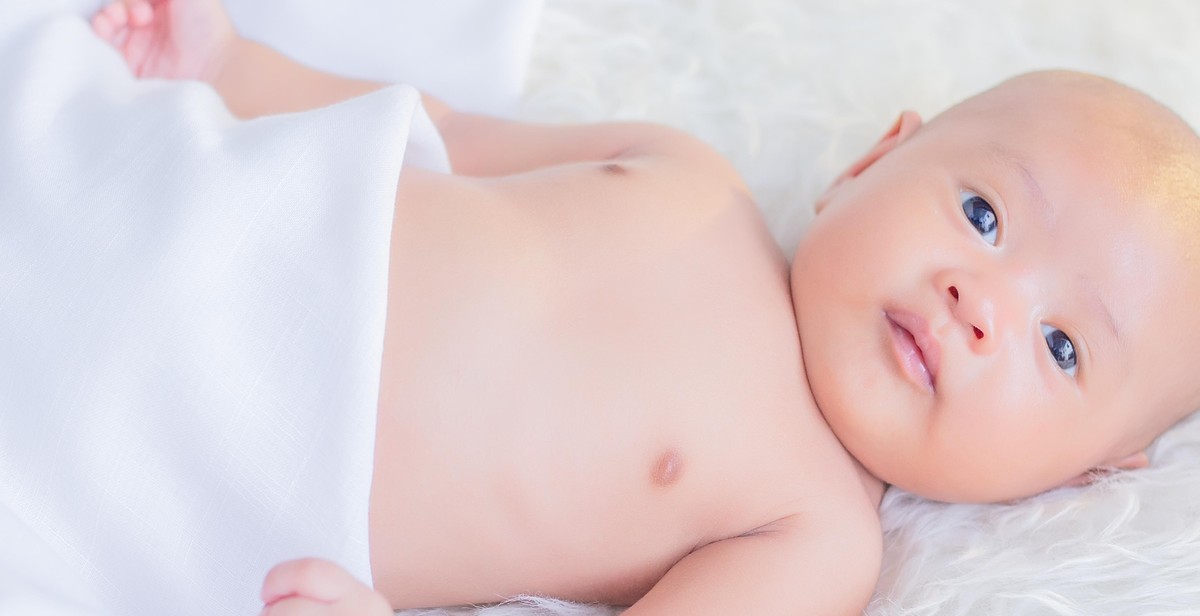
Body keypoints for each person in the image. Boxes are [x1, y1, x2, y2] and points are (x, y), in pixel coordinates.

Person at [88, 0, 1200, 614]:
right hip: (212, 207)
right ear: (871, 160)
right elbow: (439, 132)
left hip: (205, 453)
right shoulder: (688, 173)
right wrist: (233, 62)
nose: (979, 303)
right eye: (983, 214)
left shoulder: (813, 532)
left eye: (1061, 346)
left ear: (1080, 476)